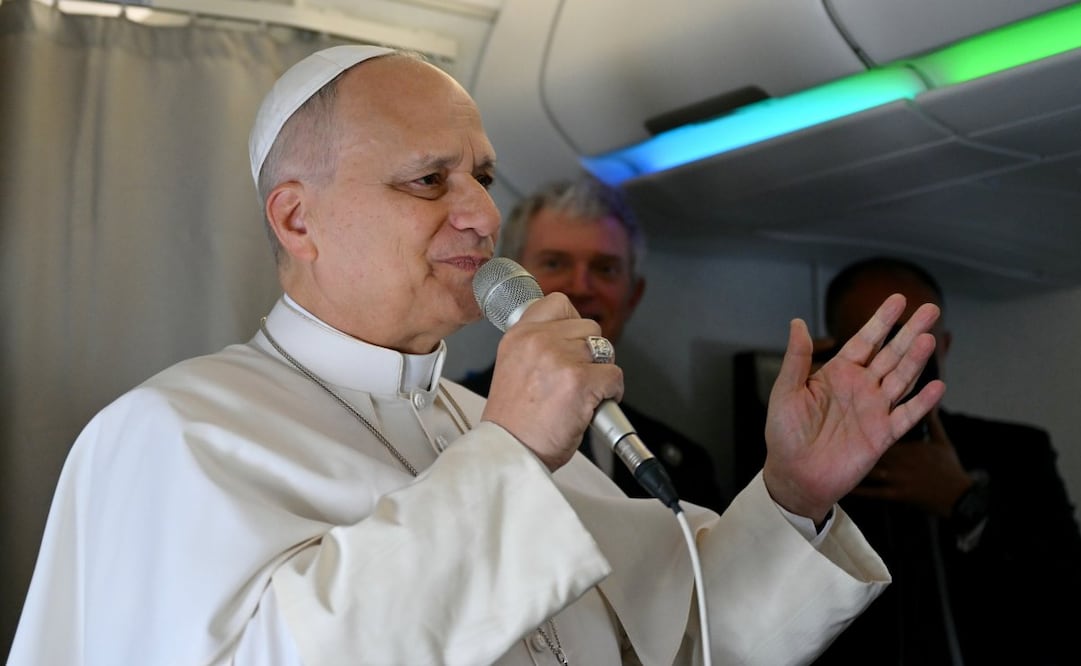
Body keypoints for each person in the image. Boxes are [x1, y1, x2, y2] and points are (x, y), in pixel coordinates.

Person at [8, 46, 946, 666]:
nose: (483, 216)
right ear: (298, 219)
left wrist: (793, 493)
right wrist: (508, 456)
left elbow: (692, 635)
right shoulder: (169, 434)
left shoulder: (479, 424)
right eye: (429, 180)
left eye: (484, 178)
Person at [807, 256, 1081, 666]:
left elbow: (1063, 583)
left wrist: (964, 501)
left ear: (944, 345)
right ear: (837, 350)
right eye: (879, 342)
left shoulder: (1016, 450)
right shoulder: (804, 460)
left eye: (917, 342)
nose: (899, 359)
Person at [459, 177, 728, 511]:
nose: (581, 286)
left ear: (633, 295)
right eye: (555, 263)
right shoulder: (453, 420)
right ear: (513, 277)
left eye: (605, 268)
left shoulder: (681, 464)